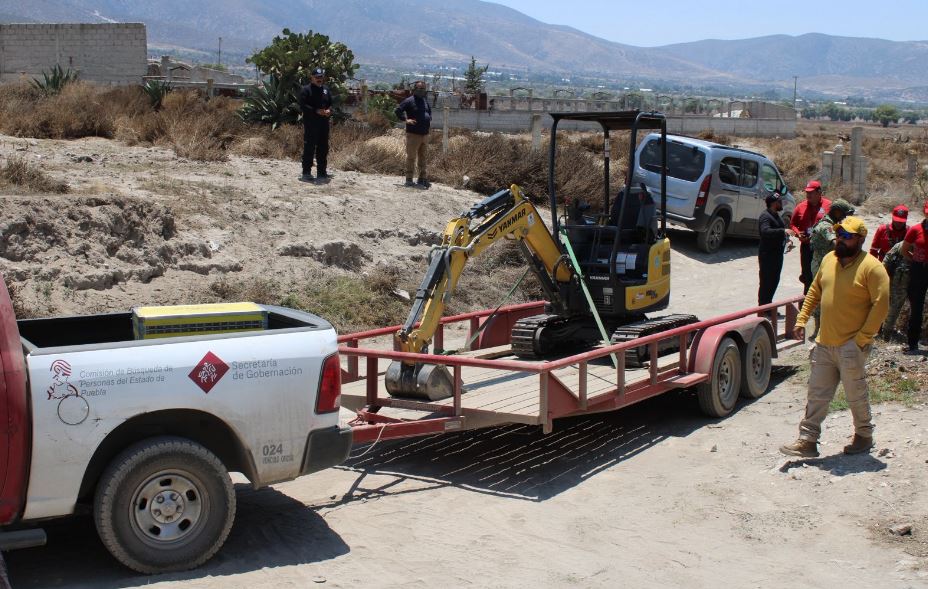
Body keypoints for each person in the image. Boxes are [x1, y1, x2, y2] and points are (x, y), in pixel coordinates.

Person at [779, 217, 889, 458]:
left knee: (855, 394)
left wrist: (861, 340)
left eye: (847, 236)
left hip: (852, 346)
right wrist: (801, 320)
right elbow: (814, 291)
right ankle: (807, 440)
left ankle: (864, 435)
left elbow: (881, 306)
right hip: (824, 343)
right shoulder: (829, 260)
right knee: (817, 394)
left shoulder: (872, 268)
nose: (841, 239)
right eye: (839, 234)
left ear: (860, 239)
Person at [790, 180, 832, 294]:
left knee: (823, 275)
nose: (808, 195)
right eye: (807, 192)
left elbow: (836, 222)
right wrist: (798, 234)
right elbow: (793, 224)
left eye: (811, 192)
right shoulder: (800, 207)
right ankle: (807, 300)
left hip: (822, 248)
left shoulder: (829, 206)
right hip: (806, 247)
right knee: (807, 275)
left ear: (819, 193)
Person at [757, 192, 795, 306]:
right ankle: (763, 308)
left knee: (774, 281)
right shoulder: (765, 216)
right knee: (766, 282)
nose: (781, 203)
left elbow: (779, 231)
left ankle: (768, 306)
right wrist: (783, 231)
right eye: (779, 202)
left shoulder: (776, 215)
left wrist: (786, 239)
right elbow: (765, 231)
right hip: (768, 255)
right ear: (773, 203)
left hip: (777, 254)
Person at [901, 201, 928, 353]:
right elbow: (904, 250)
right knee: (916, 308)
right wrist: (917, 260)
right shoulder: (915, 229)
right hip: (919, 270)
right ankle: (912, 344)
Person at [394, 80, 432, 188]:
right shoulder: (409, 101)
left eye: (423, 89)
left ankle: (422, 179)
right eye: (419, 89)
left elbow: (429, 112)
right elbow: (398, 111)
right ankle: (409, 179)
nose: (421, 91)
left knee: (423, 158)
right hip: (413, 135)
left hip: (425, 135)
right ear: (414, 89)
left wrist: (429, 119)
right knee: (411, 157)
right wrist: (406, 120)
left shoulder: (425, 101)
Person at [297, 67, 333, 182]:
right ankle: (306, 172)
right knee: (309, 147)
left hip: (324, 124)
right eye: (317, 77)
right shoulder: (306, 90)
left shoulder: (326, 90)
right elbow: (302, 105)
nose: (319, 79)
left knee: (323, 148)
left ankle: (322, 172)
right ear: (311, 78)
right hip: (311, 124)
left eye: (321, 77)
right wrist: (316, 111)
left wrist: (329, 111)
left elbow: (331, 104)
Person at [809, 198, 855, 279]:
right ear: (836, 211)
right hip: (821, 265)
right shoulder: (826, 226)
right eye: (843, 214)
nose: (844, 217)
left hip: (827, 263)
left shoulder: (832, 223)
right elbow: (835, 243)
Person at [881, 241, 911, 340]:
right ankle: (880, 329)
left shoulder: (921, 247)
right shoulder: (901, 245)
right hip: (892, 279)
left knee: (895, 308)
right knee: (885, 305)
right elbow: (887, 258)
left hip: (904, 284)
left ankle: (887, 332)